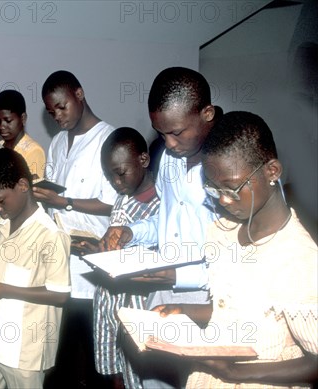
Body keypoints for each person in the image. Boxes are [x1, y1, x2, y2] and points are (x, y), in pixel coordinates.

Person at [168, 111, 317, 387]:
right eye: (212, 189)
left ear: (272, 171)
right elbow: (233, 309)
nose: (223, 200)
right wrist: (183, 310)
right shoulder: (224, 232)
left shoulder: (299, 258)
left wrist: (236, 373)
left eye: (233, 189)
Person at [103, 67, 221, 387]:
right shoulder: (169, 158)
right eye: (161, 133)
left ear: (207, 114)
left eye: (177, 132)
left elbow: (242, 254)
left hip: (211, 297)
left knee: (200, 381)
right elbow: (166, 221)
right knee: (155, 381)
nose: (168, 143)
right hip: (164, 289)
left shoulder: (229, 164)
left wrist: (178, 275)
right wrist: (132, 232)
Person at [33, 69, 117, 386]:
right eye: (51, 111)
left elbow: (111, 203)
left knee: (98, 360)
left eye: (62, 106)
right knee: (61, 358)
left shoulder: (109, 138)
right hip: (62, 265)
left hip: (96, 263)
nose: (57, 115)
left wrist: (65, 202)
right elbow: (55, 191)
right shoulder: (56, 143)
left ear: (79, 95)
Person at [0, 148, 71, 389]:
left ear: (23, 185)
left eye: (0, 200)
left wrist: (4, 290)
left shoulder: (50, 235)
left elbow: (60, 293)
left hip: (24, 351)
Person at [91, 128, 160, 388]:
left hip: (142, 304)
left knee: (144, 373)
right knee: (119, 375)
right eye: (110, 177)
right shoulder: (121, 201)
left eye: (120, 174)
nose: (116, 183)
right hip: (111, 300)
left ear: (143, 160)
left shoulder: (162, 202)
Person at [0, 89, 46, 180]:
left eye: (8, 121)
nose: (1, 126)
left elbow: (30, 191)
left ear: (23, 118)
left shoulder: (33, 151)